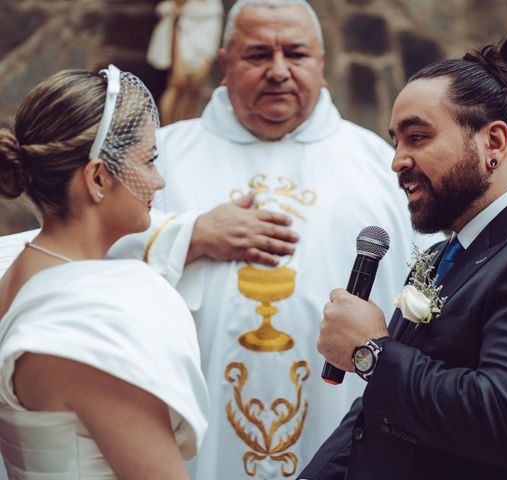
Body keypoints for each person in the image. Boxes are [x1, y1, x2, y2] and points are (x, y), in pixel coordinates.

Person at [111, 0, 443, 478]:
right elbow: (95, 257)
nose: (279, 71)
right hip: (196, 427)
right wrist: (189, 235)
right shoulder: (163, 157)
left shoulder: (377, 165)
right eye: (257, 55)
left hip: (341, 415)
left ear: (321, 65)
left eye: (296, 53)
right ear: (225, 65)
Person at [300, 33, 507, 479]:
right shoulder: (442, 255)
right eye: (396, 142)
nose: (397, 161)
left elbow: (503, 420)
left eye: (417, 137)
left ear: (493, 142)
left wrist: (371, 351)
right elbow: (378, 415)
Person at [0, 66, 208, 479]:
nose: (159, 179)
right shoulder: (87, 326)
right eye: (148, 160)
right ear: (97, 177)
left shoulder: (18, 272)